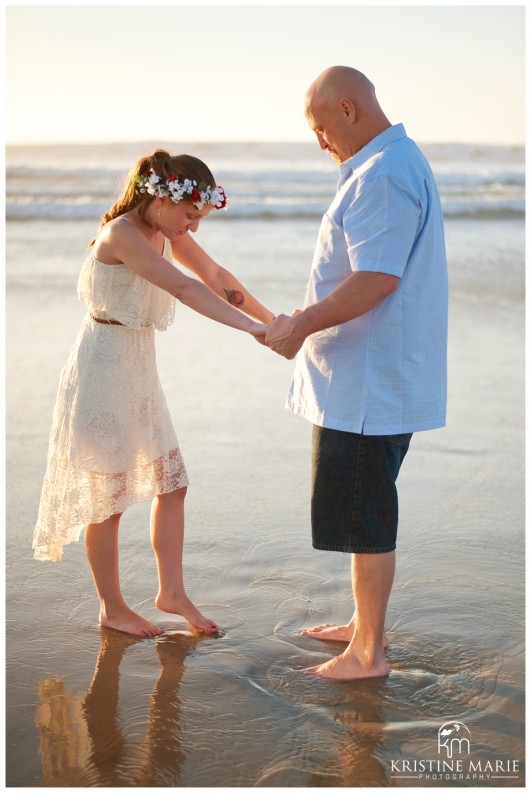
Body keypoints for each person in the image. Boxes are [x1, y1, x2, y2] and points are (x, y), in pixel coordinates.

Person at [33, 149, 274, 638]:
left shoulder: (166, 231)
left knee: (173, 483)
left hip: (138, 367)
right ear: (162, 196)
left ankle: (171, 593)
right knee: (109, 498)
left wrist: (279, 324)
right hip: (102, 368)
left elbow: (216, 280)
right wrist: (252, 331)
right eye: (191, 215)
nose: (194, 228)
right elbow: (185, 290)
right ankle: (113, 608)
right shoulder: (122, 233)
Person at [265, 66, 448, 680]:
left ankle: (368, 652)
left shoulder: (385, 175)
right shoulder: (386, 165)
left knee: (368, 510)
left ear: (347, 109)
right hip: (365, 378)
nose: (319, 142)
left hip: (370, 381)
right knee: (359, 504)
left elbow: (377, 278)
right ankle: (363, 624)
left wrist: (301, 323)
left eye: (320, 128)